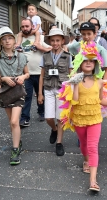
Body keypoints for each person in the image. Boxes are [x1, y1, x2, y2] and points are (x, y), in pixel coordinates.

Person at [58, 47, 107, 192]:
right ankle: (85, 160)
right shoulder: (75, 80)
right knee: (84, 144)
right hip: (79, 118)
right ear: (80, 63)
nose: (88, 63)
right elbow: (74, 100)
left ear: (95, 64)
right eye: (85, 61)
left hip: (95, 118)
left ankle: (93, 181)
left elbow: (101, 100)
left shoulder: (99, 81)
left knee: (93, 147)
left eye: (91, 61)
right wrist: (74, 83)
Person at [0, 27, 30, 165]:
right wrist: (3, 79)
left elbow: (27, 73)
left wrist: (22, 77)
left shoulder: (22, 56)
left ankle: (15, 150)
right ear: (1, 42)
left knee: (14, 121)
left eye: (9, 38)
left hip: (19, 91)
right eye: (4, 39)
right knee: (11, 121)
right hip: (6, 92)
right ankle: (17, 140)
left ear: (14, 40)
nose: (7, 41)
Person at [37, 28, 72, 156]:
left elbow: (70, 75)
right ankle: (54, 129)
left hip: (62, 90)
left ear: (62, 41)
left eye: (58, 40)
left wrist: (71, 93)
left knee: (60, 118)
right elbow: (41, 75)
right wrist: (40, 93)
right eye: (53, 40)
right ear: (49, 41)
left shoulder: (68, 56)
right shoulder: (45, 56)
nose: (55, 43)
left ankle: (59, 143)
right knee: (49, 117)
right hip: (48, 89)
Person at [18, 19, 52, 127]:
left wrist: (40, 47)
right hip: (26, 73)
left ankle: (41, 112)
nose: (25, 29)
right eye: (23, 27)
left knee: (40, 94)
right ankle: (24, 118)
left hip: (40, 73)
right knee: (26, 96)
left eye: (27, 26)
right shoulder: (19, 38)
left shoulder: (40, 37)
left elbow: (51, 49)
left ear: (32, 26)